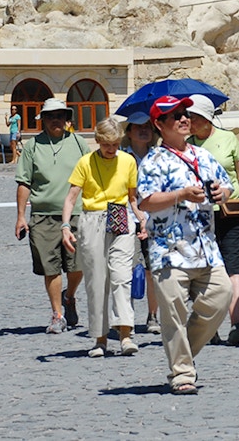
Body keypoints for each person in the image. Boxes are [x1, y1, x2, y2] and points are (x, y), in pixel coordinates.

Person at [138, 95, 233, 395]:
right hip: (169, 251)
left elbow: (227, 184)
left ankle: (184, 354)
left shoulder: (203, 156)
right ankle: (181, 373)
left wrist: (222, 193)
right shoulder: (154, 161)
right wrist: (180, 195)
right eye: (175, 115)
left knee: (222, 296)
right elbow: (146, 201)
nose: (184, 119)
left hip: (205, 247)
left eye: (185, 114)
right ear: (159, 124)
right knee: (174, 315)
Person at [62, 116, 145, 357]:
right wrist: (66, 226)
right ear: (98, 141)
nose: (111, 149)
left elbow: (132, 198)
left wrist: (141, 218)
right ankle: (100, 339)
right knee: (97, 281)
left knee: (121, 277)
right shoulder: (85, 163)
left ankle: (126, 335)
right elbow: (71, 197)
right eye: (106, 144)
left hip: (121, 216)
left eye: (115, 144)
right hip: (93, 219)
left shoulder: (128, 161)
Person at [187, 94, 239, 346]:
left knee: (233, 269)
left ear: (208, 118)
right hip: (199, 217)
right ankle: (212, 326)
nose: (190, 121)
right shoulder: (185, 145)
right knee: (206, 272)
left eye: (195, 117)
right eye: (188, 117)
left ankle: (235, 324)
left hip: (231, 213)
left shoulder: (228, 138)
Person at [15, 98, 89, 333]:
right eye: (50, 116)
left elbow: (92, 175)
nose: (55, 120)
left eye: (59, 115)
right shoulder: (32, 146)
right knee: (51, 268)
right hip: (43, 217)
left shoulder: (79, 143)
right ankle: (57, 314)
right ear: (43, 120)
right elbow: (24, 182)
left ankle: (70, 296)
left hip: (76, 214)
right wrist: (20, 216)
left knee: (78, 266)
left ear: (67, 119)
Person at [123, 111, 160, 334]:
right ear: (129, 132)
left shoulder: (158, 156)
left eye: (148, 126)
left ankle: (153, 315)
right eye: (138, 127)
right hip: (127, 217)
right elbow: (129, 195)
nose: (144, 130)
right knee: (125, 270)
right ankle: (126, 316)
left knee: (152, 270)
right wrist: (139, 216)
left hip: (154, 219)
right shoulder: (121, 157)